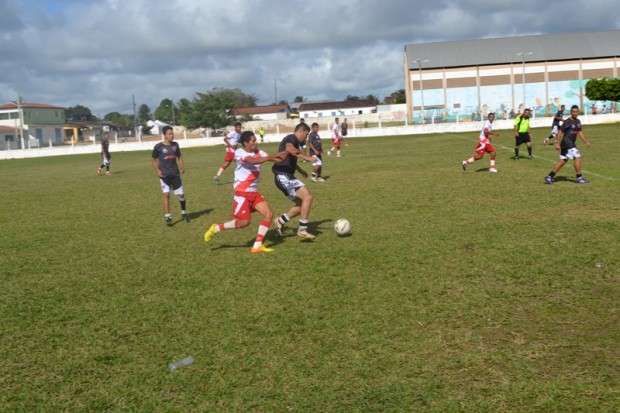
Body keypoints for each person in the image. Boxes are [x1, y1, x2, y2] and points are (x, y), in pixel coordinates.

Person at [204, 131, 286, 253]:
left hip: (253, 192)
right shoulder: (239, 152)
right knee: (244, 222)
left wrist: (286, 154)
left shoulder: (259, 152)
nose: (255, 142)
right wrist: (269, 158)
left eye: (255, 140)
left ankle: (257, 246)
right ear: (245, 143)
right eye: (253, 140)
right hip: (242, 193)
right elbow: (252, 161)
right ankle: (217, 227)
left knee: (269, 214)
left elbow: (276, 160)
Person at [272, 123, 320, 240]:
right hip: (283, 176)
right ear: (301, 131)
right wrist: (308, 157)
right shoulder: (291, 138)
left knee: (302, 204)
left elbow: (290, 158)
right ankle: (302, 230)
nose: (307, 137)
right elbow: (290, 149)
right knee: (307, 197)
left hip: (285, 176)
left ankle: (280, 220)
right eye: (306, 134)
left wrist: (300, 170)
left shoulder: (295, 142)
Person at [151, 125, 190, 226]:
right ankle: (168, 216)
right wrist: (158, 171)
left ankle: (184, 213)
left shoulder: (175, 145)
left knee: (181, 195)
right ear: (164, 135)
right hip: (164, 175)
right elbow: (153, 159)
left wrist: (182, 165)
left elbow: (179, 156)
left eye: (172, 133)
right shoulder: (158, 147)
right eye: (170, 134)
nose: (172, 135)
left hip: (175, 174)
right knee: (166, 194)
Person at [544, 105, 591, 184]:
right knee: (578, 157)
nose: (575, 113)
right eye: (573, 112)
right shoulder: (567, 122)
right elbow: (559, 132)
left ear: (578, 112)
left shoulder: (578, 121)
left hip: (569, 143)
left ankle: (550, 176)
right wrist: (558, 143)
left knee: (563, 161)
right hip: (567, 142)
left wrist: (586, 141)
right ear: (571, 112)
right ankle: (579, 177)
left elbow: (580, 132)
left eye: (576, 112)